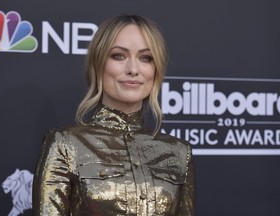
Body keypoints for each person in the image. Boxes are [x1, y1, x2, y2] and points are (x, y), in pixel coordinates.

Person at [33, 14, 195, 215]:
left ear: (156, 69)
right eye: (119, 55)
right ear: (98, 63)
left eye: (146, 58)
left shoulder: (179, 152)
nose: (133, 69)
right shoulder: (66, 144)